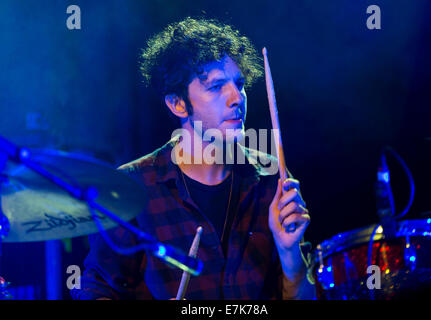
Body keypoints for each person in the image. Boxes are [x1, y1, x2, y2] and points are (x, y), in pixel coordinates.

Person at [72, 17, 315, 300]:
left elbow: (304, 296)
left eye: (240, 84)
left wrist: (289, 253)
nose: (237, 97)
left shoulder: (273, 178)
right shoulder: (130, 187)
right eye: (216, 87)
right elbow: (98, 291)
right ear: (177, 104)